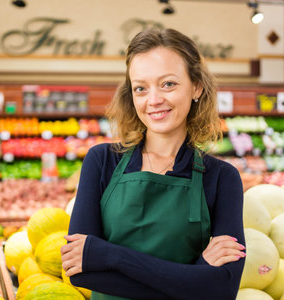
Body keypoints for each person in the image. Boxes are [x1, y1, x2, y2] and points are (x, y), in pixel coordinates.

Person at [61, 28, 246, 300]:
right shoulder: (101, 161)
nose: (154, 100)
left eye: (168, 84)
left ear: (196, 86)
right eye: (141, 88)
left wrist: (109, 255)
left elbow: (223, 289)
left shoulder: (222, 178)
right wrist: (195, 276)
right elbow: (81, 272)